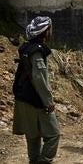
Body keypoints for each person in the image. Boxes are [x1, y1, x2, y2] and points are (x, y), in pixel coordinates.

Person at [12, 16, 60, 164]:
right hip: (36, 100)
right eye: (50, 29)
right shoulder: (37, 51)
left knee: (32, 136)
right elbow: (39, 78)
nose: (51, 32)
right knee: (53, 134)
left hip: (23, 98)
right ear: (45, 32)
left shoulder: (27, 48)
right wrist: (48, 101)